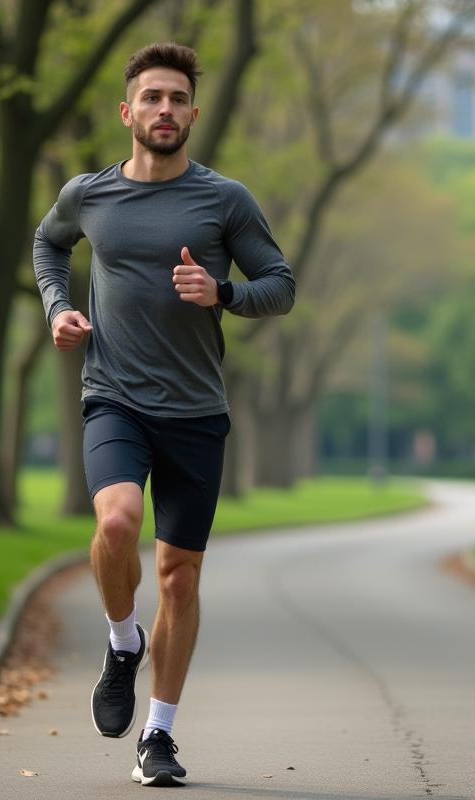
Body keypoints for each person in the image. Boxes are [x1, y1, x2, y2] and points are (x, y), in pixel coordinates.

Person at [32, 42, 295, 787]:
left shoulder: (224, 200)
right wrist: (59, 308)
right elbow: (49, 247)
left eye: (177, 99)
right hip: (113, 395)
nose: (165, 110)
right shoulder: (89, 194)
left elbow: (280, 283)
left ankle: (160, 735)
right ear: (128, 112)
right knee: (115, 523)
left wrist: (224, 293)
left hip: (196, 412)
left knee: (179, 578)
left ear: (193, 113)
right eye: (152, 98)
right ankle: (122, 642)